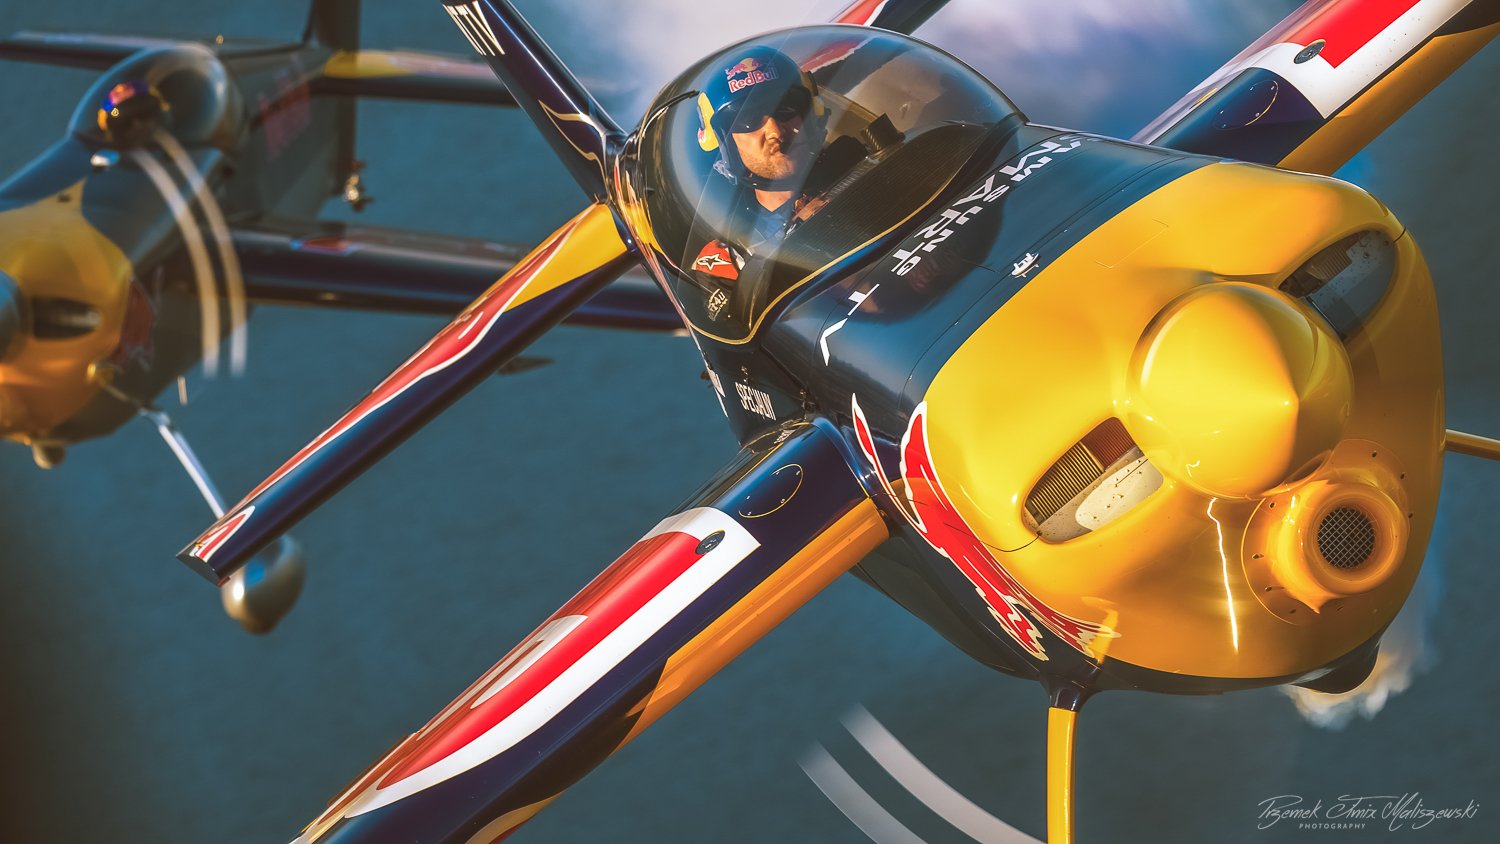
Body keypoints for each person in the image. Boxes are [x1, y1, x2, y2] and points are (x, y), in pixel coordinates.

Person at [690, 46, 858, 323]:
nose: (775, 132)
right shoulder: (725, 262)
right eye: (748, 120)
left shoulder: (879, 165)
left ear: (810, 113)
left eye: (785, 108)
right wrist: (807, 240)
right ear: (725, 142)